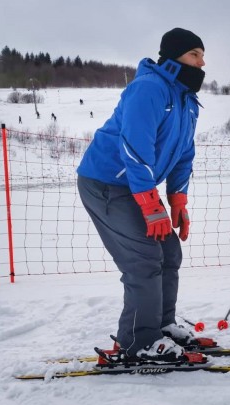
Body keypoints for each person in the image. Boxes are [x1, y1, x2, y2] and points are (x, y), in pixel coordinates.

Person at [76, 28, 206, 363]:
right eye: (195, 54)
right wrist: (150, 204)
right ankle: (138, 342)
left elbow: (184, 153)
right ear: (174, 56)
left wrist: (178, 199)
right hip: (106, 182)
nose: (202, 63)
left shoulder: (186, 99)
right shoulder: (148, 89)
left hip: (136, 184)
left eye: (202, 56)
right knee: (144, 259)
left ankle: (161, 328)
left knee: (168, 251)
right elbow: (135, 149)